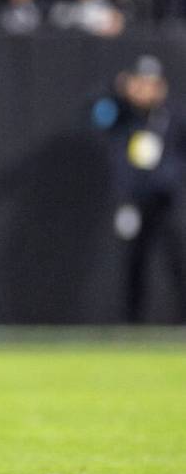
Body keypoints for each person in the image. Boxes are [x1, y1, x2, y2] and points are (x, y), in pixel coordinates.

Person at [91, 55, 186, 322]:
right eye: (140, 83)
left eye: (151, 83)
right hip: (133, 200)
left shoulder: (173, 115)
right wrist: (115, 89)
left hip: (166, 200)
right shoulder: (121, 113)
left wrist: (170, 175)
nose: (146, 89)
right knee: (134, 264)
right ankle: (132, 325)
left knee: (177, 261)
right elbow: (96, 115)